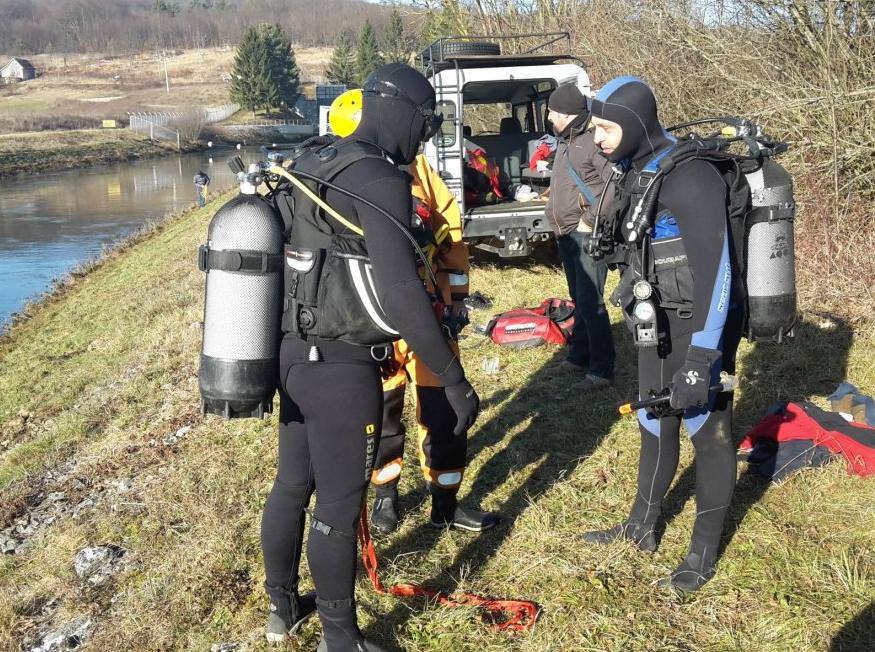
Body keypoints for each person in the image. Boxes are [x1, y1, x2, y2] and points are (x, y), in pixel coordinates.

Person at [259, 63, 480, 651]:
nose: (427, 135)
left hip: (287, 354)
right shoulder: (379, 179)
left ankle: (282, 609)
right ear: (399, 111)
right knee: (336, 502)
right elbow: (405, 296)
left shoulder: (309, 161)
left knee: (291, 486)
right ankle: (341, 638)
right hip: (342, 366)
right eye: (426, 119)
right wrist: (454, 381)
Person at [581, 76, 743, 593]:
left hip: (699, 326)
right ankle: (641, 529)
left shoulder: (690, 176)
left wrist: (703, 354)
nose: (598, 138)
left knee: (709, 435)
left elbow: (719, 272)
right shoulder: (638, 173)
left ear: (633, 122)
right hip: (656, 323)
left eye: (605, 127)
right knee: (653, 420)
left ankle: (702, 552)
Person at [327, 90, 498, 535]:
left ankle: (445, 501)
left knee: (443, 410)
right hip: (374, 320)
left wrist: (455, 296)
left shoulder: (418, 169)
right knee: (382, 414)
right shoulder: (340, 176)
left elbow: (450, 231)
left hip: (426, 311)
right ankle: (386, 494)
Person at [542, 83, 615, 391]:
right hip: (567, 235)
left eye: (550, 110)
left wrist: (589, 220)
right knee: (581, 302)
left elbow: (613, 185)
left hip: (585, 235)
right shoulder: (566, 140)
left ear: (562, 113)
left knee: (592, 304)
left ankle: (601, 371)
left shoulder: (590, 142)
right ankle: (579, 359)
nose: (547, 115)